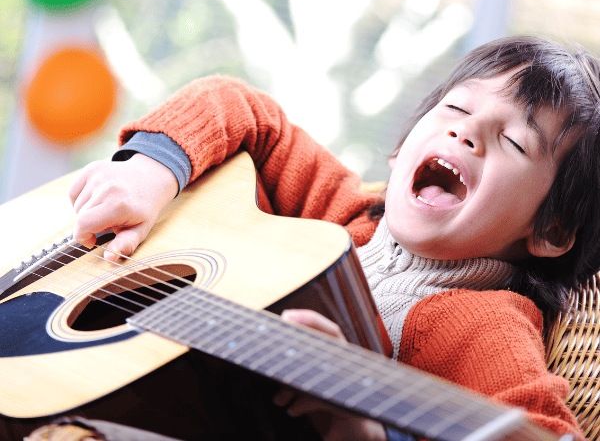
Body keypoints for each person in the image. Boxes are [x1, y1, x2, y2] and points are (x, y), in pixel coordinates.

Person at [20, 35, 600, 441]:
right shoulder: (344, 212)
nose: (467, 130)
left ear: (549, 232)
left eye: (515, 143)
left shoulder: (487, 325)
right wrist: (149, 171)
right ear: (400, 153)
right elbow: (239, 104)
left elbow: (540, 429)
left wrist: (365, 428)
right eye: (455, 107)